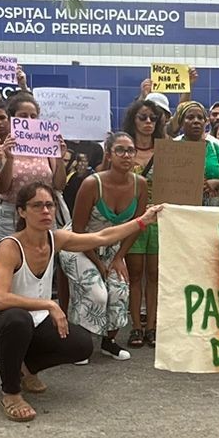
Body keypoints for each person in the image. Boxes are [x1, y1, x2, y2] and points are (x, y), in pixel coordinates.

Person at [0, 181, 160, 422]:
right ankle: (11, 393)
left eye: (49, 205)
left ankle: (26, 367)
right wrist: (50, 304)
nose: (46, 211)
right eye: (37, 206)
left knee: (81, 344)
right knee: (17, 318)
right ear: (21, 211)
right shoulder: (10, 246)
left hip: (30, 325)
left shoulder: (55, 239)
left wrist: (143, 220)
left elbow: (102, 237)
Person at [62, 131, 149, 360]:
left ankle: (108, 342)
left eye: (131, 150)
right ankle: (78, 345)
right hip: (78, 245)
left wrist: (119, 257)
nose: (126, 155)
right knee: (96, 292)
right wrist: (99, 264)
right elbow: (78, 230)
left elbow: (137, 225)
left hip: (112, 249)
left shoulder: (141, 185)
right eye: (120, 150)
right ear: (109, 154)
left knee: (120, 290)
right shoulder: (93, 184)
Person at [121, 94, 168, 347]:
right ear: (134, 120)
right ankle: (136, 327)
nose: (148, 122)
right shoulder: (123, 149)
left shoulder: (166, 149)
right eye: (143, 117)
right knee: (135, 274)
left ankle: (153, 326)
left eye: (153, 118)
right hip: (133, 219)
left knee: (155, 274)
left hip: (161, 219)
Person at [0, 90, 70, 244]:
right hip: (11, 217)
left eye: (33, 116)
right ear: (11, 119)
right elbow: (0, 188)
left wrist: (59, 158)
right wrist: (9, 159)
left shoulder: (47, 148)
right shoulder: (2, 149)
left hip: (44, 215)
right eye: (23, 116)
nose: (29, 120)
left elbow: (59, 185)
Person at [171, 100, 219, 205]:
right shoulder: (173, 147)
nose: (196, 121)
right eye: (190, 118)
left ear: (206, 122)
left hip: (212, 208)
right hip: (181, 207)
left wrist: (215, 183)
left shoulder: (214, 146)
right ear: (182, 122)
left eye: (200, 118)